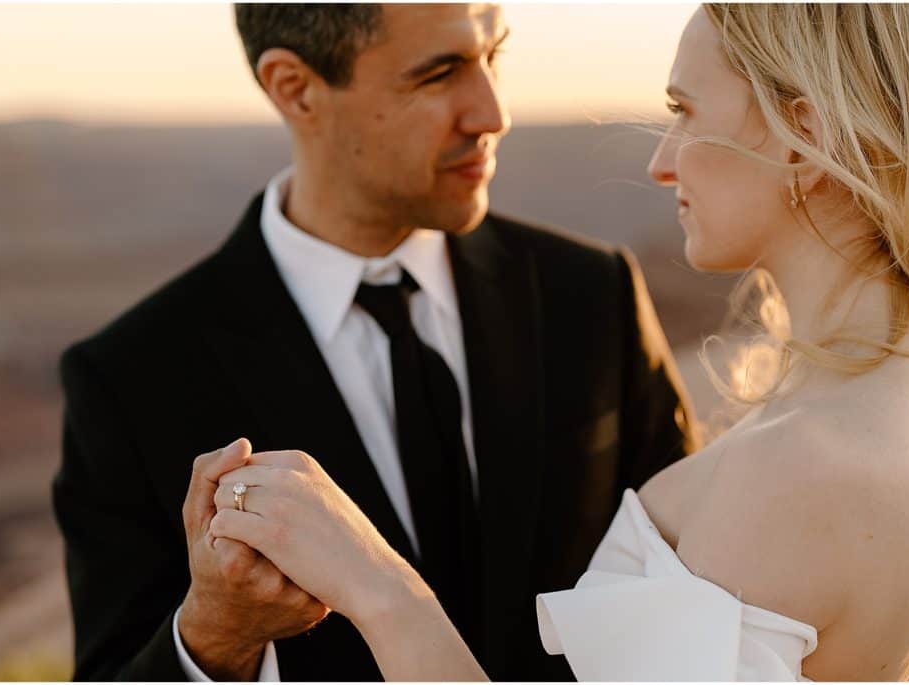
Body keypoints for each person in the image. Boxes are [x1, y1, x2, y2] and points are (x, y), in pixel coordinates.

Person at [205, 3, 909, 681]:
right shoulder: (897, 404)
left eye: (684, 111)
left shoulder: (798, 468)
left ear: (803, 137)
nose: (662, 161)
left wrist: (374, 582)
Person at [52, 3, 698, 681]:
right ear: (295, 87)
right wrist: (216, 634)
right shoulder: (131, 378)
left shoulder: (594, 295)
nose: (492, 113)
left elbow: (695, 582)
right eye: (440, 72)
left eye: (491, 57)